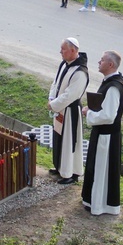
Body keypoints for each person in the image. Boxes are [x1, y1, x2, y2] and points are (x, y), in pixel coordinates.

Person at [81, 50, 123, 215]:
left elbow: (108, 116)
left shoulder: (114, 87)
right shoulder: (111, 82)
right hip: (103, 134)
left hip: (107, 137)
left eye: (101, 61)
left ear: (110, 64)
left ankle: (100, 205)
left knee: (101, 170)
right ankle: (93, 200)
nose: (98, 63)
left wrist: (89, 113)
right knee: (97, 168)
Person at [47, 38, 89, 183]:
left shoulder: (80, 72)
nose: (60, 52)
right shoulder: (64, 64)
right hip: (60, 109)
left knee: (69, 142)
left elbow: (71, 95)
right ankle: (60, 166)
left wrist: (54, 105)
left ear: (73, 50)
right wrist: (52, 98)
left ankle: (70, 173)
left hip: (70, 112)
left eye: (63, 49)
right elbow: (56, 82)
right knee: (59, 138)